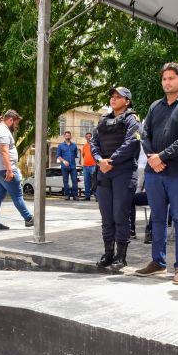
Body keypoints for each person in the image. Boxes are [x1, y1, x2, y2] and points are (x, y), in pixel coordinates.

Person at [135, 62, 178, 285]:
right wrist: (153, 158)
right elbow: (145, 135)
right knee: (157, 218)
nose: (167, 82)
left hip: (177, 172)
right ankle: (158, 262)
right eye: (164, 79)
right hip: (155, 173)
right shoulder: (155, 107)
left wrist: (160, 157)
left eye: (171, 78)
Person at [91, 86, 141, 271]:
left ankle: (121, 256)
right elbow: (93, 143)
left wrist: (111, 160)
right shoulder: (103, 119)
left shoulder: (132, 119)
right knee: (106, 216)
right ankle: (108, 253)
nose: (113, 99)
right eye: (112, 96)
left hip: (123, 172)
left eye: (118, 97)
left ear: (127, 101)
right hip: (104, 171)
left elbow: (132, 142)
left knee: (120, 214)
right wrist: (99, 160)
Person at [0, 110, 33, 230]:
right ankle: (29, 218)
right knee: (17, 195)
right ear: (10, 120)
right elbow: (4, 151)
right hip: (5, 169)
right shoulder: (3, 132)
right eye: (16, 123)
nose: (16, 126)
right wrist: (9, 170)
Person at [56, 131, 79, 200]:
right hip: (64, 167)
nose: (68, 136)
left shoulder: (74, 145)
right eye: (66, 135)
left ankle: (75, 195)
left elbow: (75, 155)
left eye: (69, 135)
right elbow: (58, 156)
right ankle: (67, 195)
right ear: (64, 136)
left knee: (74, 181)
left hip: (73, 166)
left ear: (70, 136)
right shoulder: (60, 145)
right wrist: (64, 161)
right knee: (65, 181)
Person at [81, 132, 96, 200]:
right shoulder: (84, 146)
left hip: (93, 166)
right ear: (85, 138)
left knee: (94, 181)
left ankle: (97, 196)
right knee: (86, 182)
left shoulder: (95, 145)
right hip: (85, 166)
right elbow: (83, 155)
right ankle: (87, 196)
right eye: (87, 136)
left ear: (92, 137)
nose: (88, 138)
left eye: (89, 136)